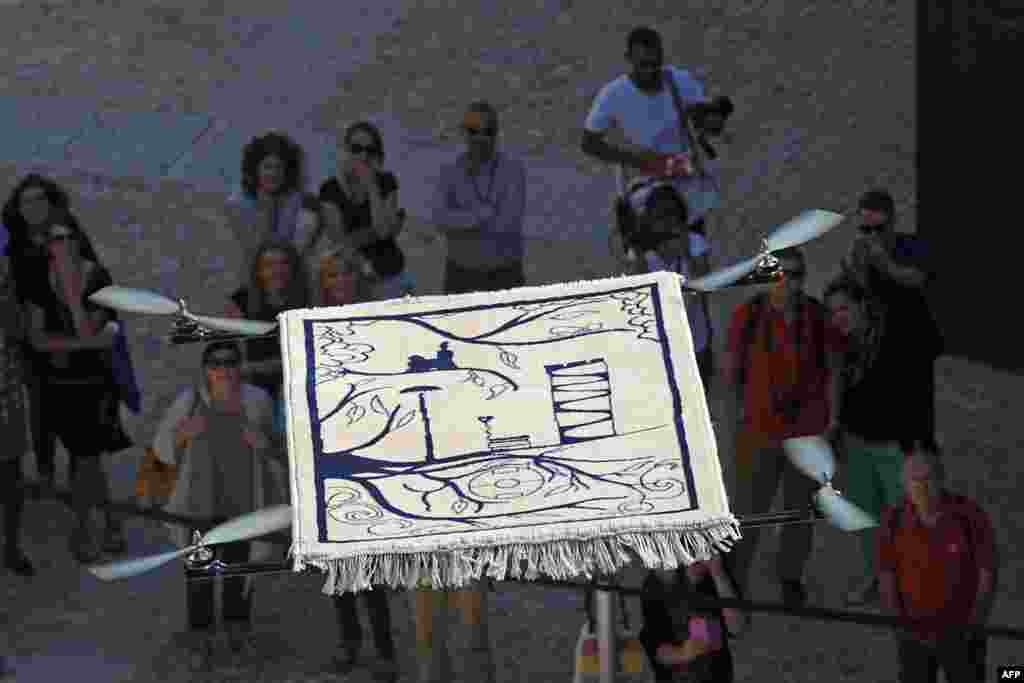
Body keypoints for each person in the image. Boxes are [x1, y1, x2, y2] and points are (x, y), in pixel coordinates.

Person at [152, 341, 288, 671]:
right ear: (205, 369)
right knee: (199, 576)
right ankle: (201, 640)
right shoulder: (190, 402)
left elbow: (281, 450)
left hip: (243, 506)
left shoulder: (257, 401)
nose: (223, 370)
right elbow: (161, 448)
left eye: (230, 363)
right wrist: (183, 435)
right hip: (199, 505)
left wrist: (264, 444)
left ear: (239, 367)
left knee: (238, 575)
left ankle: (236, 636)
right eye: (216, 364)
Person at [723, 247, 845, 606]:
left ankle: (789, 577)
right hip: (759, 433)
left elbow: (834, 371)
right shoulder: (747, 316)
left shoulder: (816, 316)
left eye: (796, 275)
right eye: (781, 274)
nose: (789, 282)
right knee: (748, 510)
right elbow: (731, 377)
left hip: (807, 434)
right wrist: (738, 426)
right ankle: (734, 579)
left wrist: (833, 421)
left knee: (799, 513)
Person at [311, 246, 398, 681]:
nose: (339, 283)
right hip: (329, 450)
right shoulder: (313, 324)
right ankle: (350, 642)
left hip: (369, 444)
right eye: (332, 276)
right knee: (337, 560)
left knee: (370, 559)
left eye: (345, 273)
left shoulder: (376, 320)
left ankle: (384, 648)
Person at [22, 220, 125, 563]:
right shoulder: (38, 280)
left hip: (95, 383)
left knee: (85, 458)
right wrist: (85, 343)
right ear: (48, 245)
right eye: (54, 239)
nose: (61, 244)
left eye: (67, 237)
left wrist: (72, 296)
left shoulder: (97, 278)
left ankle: (84, 529)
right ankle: (110, 522)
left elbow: (88, 326)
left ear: (77, 240)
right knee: (86, 458)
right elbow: (37, 339)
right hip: (58, 383)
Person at [1, 175, 102, 495]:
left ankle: (78, 485)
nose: (33, 207)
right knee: (40, 412)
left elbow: (93, 281)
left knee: (75, 416)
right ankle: (46, 474)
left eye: (40, 199)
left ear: (52, 202)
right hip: (29, 339)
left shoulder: (68, 234)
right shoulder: (14, 241)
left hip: (70, 337)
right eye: (26, 201)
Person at [582, 26, 726, 238]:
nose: (650, 71)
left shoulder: (680, 81)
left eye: (655, 64)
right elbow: (589, 143)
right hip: (641, 187)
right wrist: (637, 160)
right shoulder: (613, 95)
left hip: (684, 183)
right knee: (649, 258)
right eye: (643, 65)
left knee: (696, 255)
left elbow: (707, 125)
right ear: (628, 59)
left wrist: (712, 122)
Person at [824, 273, 916, 606]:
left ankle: (907, 584)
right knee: (866, 521)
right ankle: (877, 579)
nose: (839, 319)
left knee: (902, 520)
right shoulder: (838, 346)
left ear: (863, 305)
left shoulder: (890, 337)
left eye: (844, 310)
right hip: (855, 444)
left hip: (893, 445)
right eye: (833, 312)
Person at [878, 443, 996, 683]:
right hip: (914, 638)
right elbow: (887, 577)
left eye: (928, 478)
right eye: (914, 479)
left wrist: (974, 624)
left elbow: (987, 574)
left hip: (963, 636)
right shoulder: (893, 521)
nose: (921, 486)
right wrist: (899, 626)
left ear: (942, 479)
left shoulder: (970, 516)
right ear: (904, 484)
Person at [844, 189, 943, 448]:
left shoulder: (911, 246)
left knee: (914, 434)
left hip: (912, 352)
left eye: (879, 229)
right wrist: (859, 269)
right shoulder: (860, 253)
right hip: (876, 353)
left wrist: (884, 263)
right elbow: (857, 300)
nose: (873, 237)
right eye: (866, 230)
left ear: (892, 223)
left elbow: (917, 278)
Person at [624, 183, 714, 388]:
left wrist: (685, 253)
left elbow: (705, 284)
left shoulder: (693, 242)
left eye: (671, 213)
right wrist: (638, 256)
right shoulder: (642, 252)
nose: (667, 221)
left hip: (695, 341)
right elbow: (639, 294)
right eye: (660, 215)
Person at [432, 101, 527, 295]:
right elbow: (440, 221)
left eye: (488, 131)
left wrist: (461, 223)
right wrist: (480, 215)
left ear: (497, 133)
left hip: (504, 274)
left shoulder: (513, 171)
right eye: (474, 130)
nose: (481, 137)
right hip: (460, 274)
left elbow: (508, 225)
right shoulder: (450, 171)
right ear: (463, 132)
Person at [319, 121, 413, 301]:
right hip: (350, 280)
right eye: (356, 149)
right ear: (346, 151)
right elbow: (339, 241)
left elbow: (384, 230)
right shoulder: (330, 189)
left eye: (370, 150)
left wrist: (371, 186)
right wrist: (381, 231)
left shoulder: (386, 182)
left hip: (390, 273)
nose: (363, 156)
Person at [227, 131, 338, 282]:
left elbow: (298, 250)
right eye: (268, 167)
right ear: (255, 169)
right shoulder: (238, 204)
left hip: (293, 279)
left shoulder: (305, 205)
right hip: (252, 280)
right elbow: (254, 250)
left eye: (279, 168)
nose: (273, 174)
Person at [224, 239, 312, 401]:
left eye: (284, 264)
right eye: (269, 265)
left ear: (294, 268)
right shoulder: (241, 301)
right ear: (258, 270)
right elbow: (233, 358)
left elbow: (307, 357)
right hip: (255, 389)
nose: (277, 271)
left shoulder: (307, 301)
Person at [639, 553, 748, 682]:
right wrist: (683, 653)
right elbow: (656, 648)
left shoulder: (718, 578)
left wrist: (718, 574)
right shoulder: (658, 582)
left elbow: (736, 627)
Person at [0, 223, 33, 577]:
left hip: (6, 392)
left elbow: (18, 331)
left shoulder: (6, 278)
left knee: (10, 475)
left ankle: (10, 546)